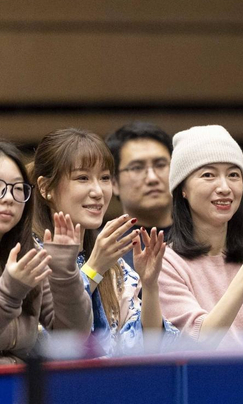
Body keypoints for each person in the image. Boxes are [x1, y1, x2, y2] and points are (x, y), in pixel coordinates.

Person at [32, 128, 176, 356]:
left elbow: (147, 348)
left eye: (105, 178)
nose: (98, 191)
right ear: (45, 188)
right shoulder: (28, 254)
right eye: (82, 178)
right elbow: (47, 340)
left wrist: (150, 286)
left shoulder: (113, 262)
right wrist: (94, 269)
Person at [159, 125, 243, 349]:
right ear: (183, 189)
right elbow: (202, 338)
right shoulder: (166, 263)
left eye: (233, 175)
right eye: (208, 175)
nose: (224, 187)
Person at [0, 141, 92, 363]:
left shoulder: (28, 251)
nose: (9, 197)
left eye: (18, 188)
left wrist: (65, 273)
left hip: (20, 380)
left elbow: (73, 336)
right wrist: (8, 294)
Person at [105, 122, 173, 271]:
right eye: (137, 168)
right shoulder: (101, 250)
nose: (152, 178)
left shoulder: (201, 239)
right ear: (114, 183)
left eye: (160, 165)